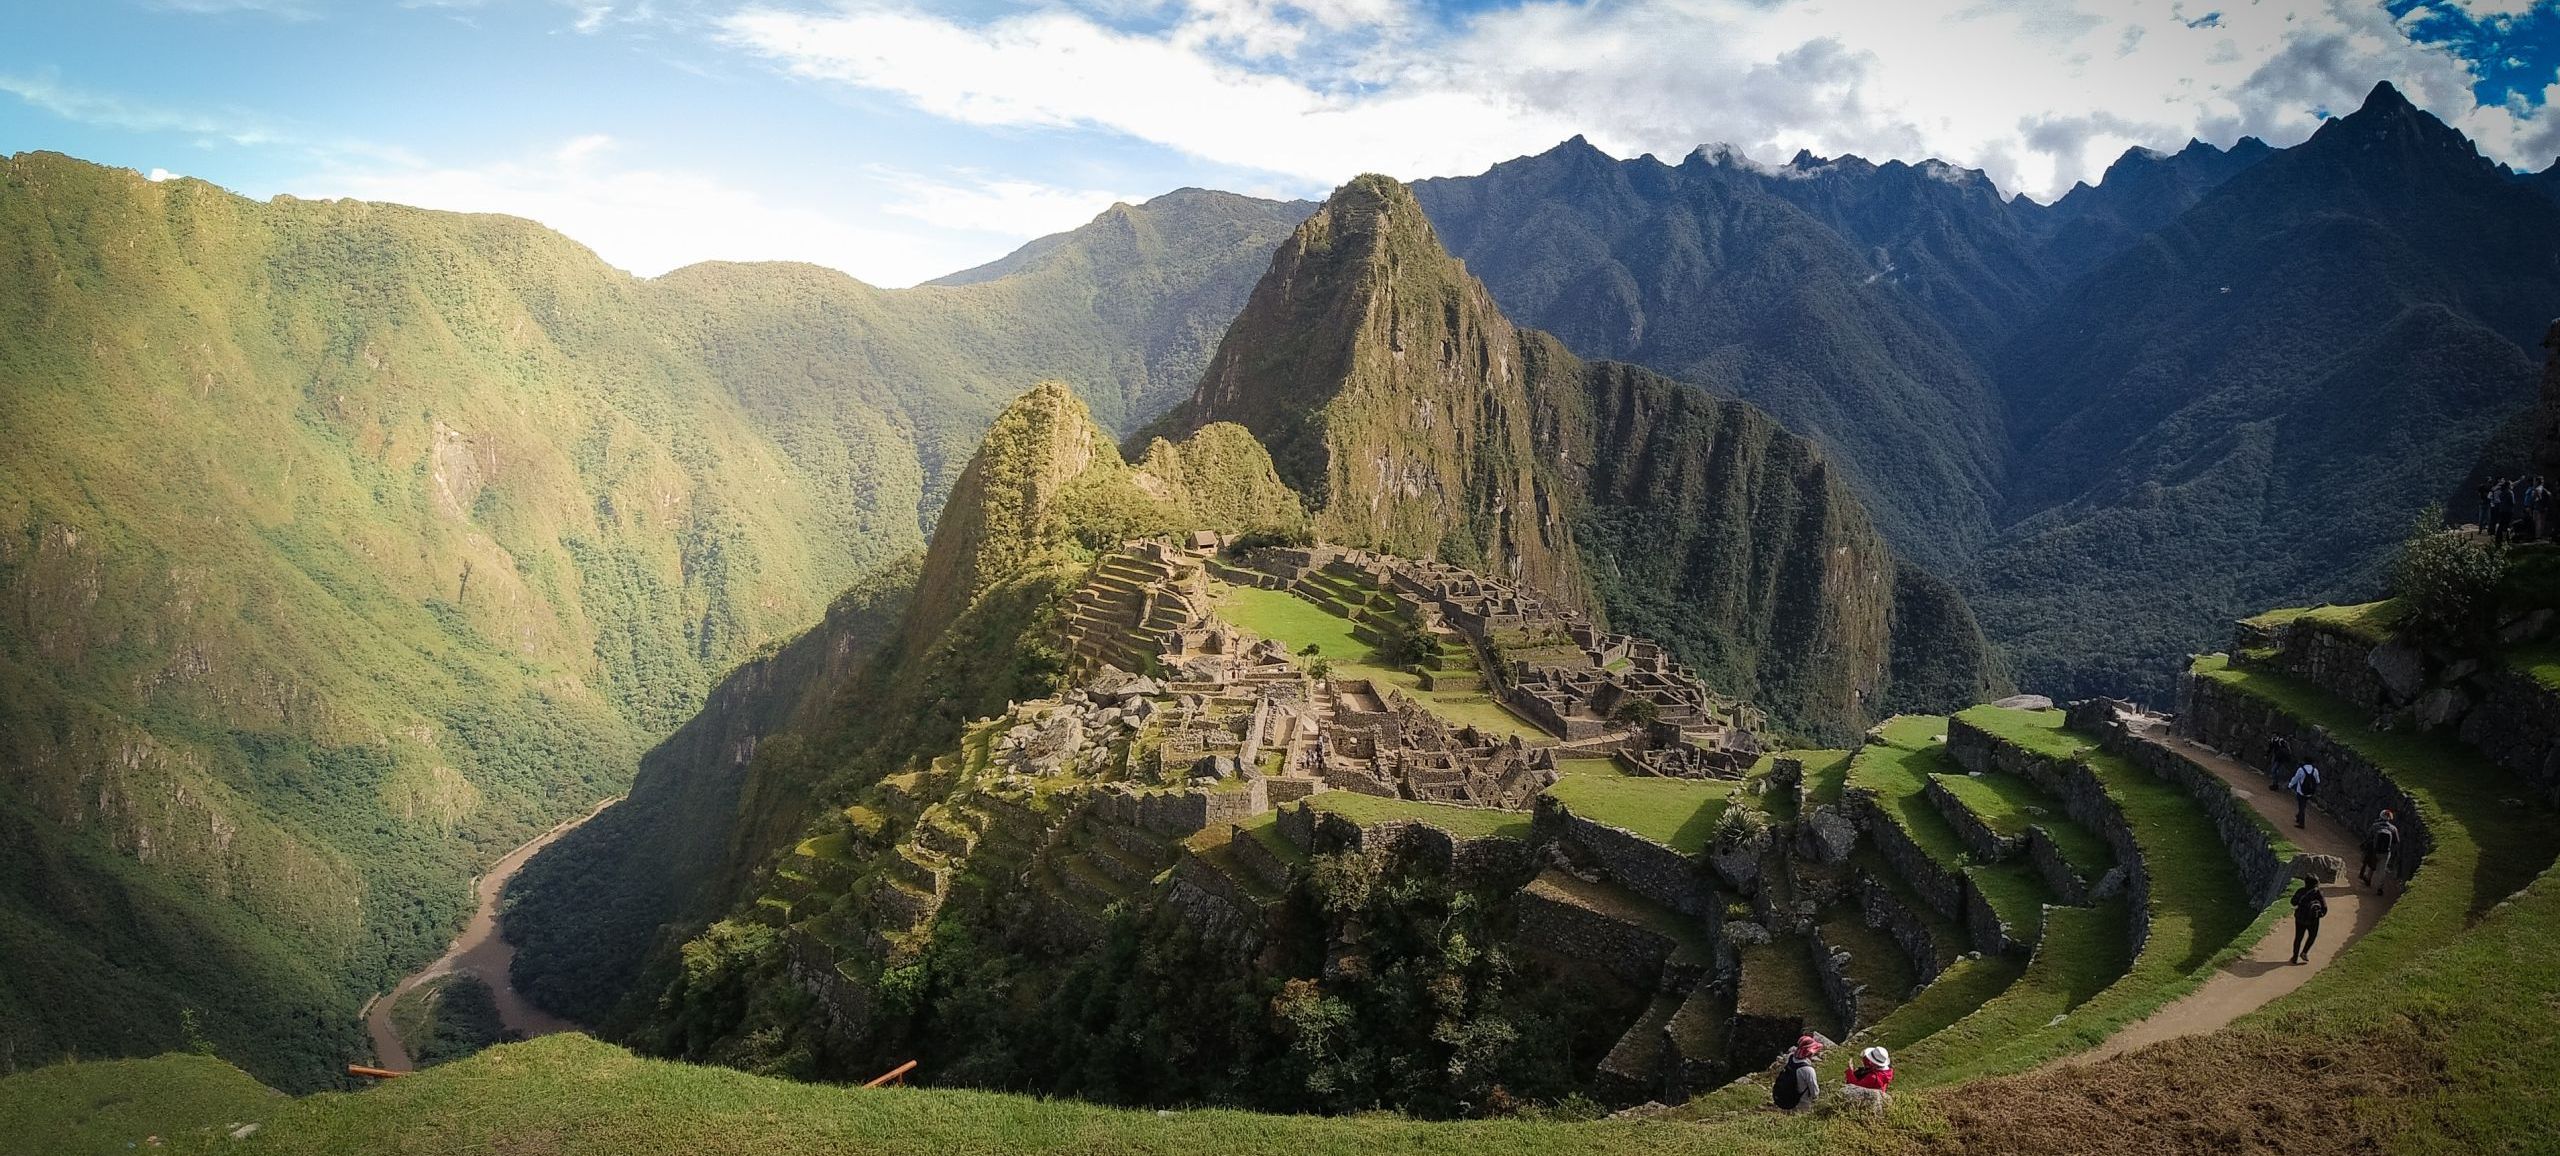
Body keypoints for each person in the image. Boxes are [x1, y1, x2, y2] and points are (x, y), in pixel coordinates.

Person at [1771, 1035, 1822, 1112]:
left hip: (1787, 1100)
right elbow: (1815, 1092)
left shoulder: (1790, 1057)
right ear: (1810, 1052)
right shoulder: (1808, 1070)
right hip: (1802, 1104)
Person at [1840, 1045, 1894, 1111]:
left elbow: (1856, 1086)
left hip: (1868, 1100)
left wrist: (1850, 1071)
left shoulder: (1873, 1077)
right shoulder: (1887, 1072)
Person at [2361, 809, 2401, 893]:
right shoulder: (2393, 828)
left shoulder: (2375, 826)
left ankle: (2368, 879)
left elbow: (2369, 837)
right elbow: (2396, 841)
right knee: (2382, 870)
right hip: (2386, 852)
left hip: (2374, 851)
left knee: (2372, 865)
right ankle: (2380, 888)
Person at [2290, 877, 2328, 964]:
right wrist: (2320, 915)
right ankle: (2304, 952)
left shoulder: (2301, 891)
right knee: (2312, 936)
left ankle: (2295, 957)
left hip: (2300, 918)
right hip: (2313, 920)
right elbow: (2324, 908)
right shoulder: (2318, 893)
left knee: (2298, 938)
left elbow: (2293, 902)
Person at [2287, 762, 2323, 828]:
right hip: (2309, 792)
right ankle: (2298, 816)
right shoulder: (2315, 770)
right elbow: (2318, 781)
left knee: (2301, 806)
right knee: (2303, 805)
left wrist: (2290, 785)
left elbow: (2295, 778)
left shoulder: (2301, 770)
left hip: (2301, 791)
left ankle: (2301, 822)